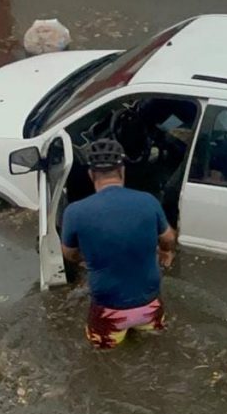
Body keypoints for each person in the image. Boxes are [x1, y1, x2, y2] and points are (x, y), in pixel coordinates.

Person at [60, 139, 177, 349]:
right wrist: (165, 252)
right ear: (122, 170)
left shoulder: (74, 212)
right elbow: (168, 238)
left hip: (108, 311)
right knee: (154, 348)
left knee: (103, 360)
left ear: (91, 174)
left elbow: (69, 254)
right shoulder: (149, 201)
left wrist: (86, 259)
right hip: (150, 305)